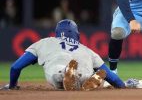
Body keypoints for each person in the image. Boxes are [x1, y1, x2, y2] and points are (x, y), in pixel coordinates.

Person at [1, 19, 129, 91]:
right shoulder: (88, 50)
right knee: (86, 74)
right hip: (84, 72)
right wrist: (122, 85)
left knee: (58, 75)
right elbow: (112, 78)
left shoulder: (45, 42)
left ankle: (66, 73)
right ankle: (86, 78)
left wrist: (12, 86)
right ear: (76, 34)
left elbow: (15, 67)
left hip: (57, 71)